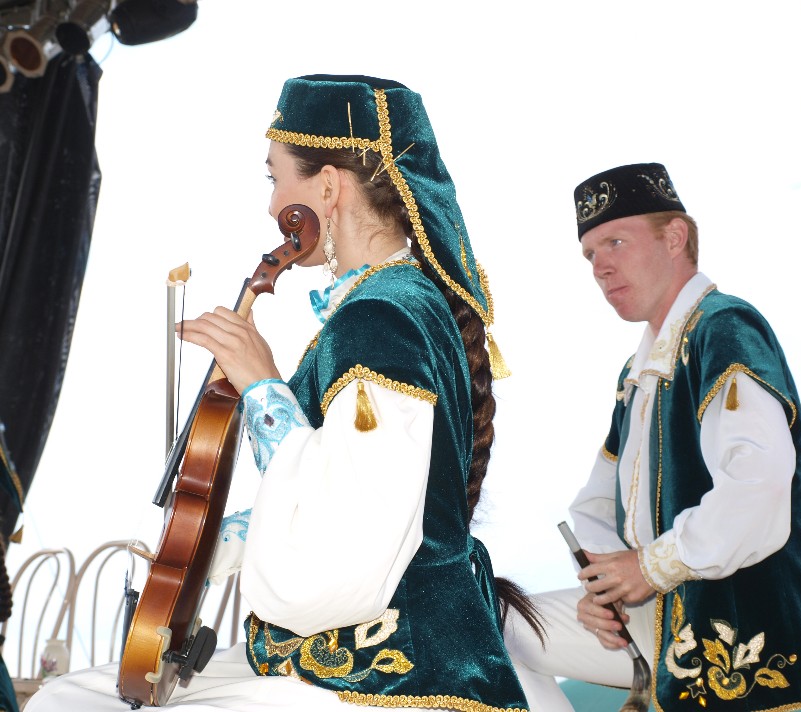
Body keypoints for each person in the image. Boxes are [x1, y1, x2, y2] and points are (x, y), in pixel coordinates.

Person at [28, 74, 542, 711]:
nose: (271, 202)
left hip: (393, 667)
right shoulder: (386, 305)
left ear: (327, 186)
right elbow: (339, 483)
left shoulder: (382, 316)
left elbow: (347, 519)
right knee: (72, 693)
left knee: (70, 704)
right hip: (357, 643)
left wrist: (262, 384)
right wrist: (202, 546)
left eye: (274, 178)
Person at [503, 163, 801, 711]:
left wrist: (649, 567)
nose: (600, 267)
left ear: (674, 238)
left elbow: (759, 482)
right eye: (590, 254)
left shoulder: (724, 329)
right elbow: (596, 506)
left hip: (745, 628)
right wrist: (608, 588)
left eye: (616, 243)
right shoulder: (638, 373)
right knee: (489, 621)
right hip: (664, 615)